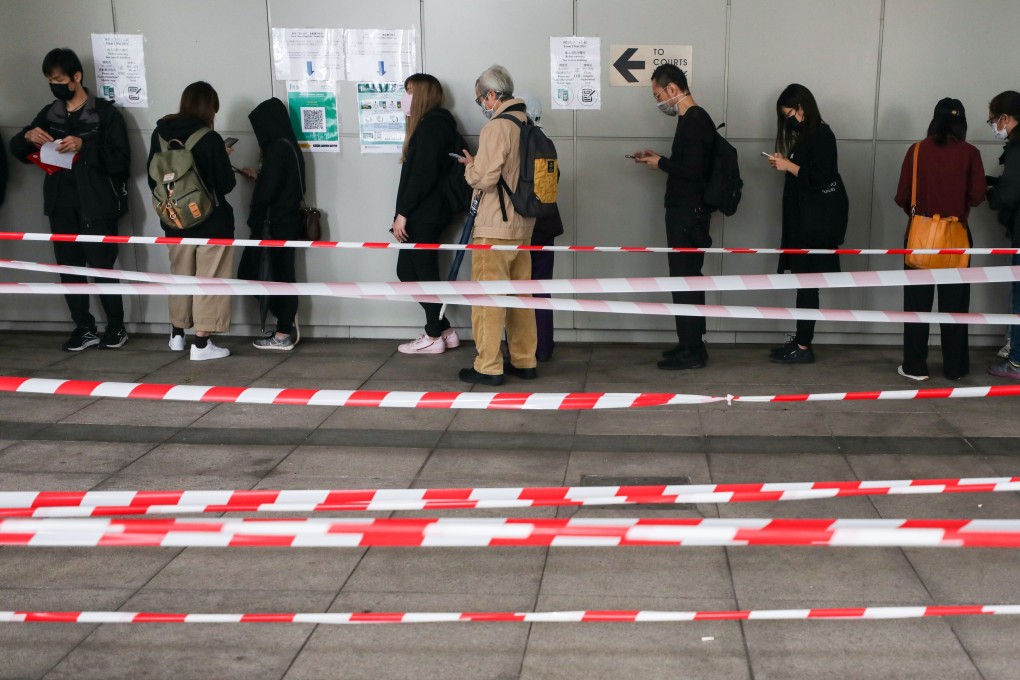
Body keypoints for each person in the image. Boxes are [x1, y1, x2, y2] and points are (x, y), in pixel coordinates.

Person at [10, 48, 130, 351]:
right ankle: (84, 327)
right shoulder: (50, 113)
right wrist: (27, 138)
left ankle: (116, 327)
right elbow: (17, 148)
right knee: (68, 267)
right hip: (61, 204)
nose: (55, 84)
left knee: (101, 267)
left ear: (77, 77)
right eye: (50, 80)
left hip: (98, 205)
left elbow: (121, 161)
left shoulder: (105, 113)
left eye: (59, 79)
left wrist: (84, 145)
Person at [455, 65, 537, 386]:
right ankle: (524, 360)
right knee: (520, 298)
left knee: (488, 298)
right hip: (523, 226)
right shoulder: (525, 122)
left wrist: (470, 167)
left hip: (494, 228)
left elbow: (485, 178)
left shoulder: (496, 128)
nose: (482, 106)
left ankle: (488, 365)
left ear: (492, 95)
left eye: (481, 100)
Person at [894, 98, 986, 381]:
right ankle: (954, 368)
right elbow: (977, 196)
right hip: (956, 236)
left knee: (916, 305)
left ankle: (915, 366)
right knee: (955, 306)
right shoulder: (970, 153)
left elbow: (902, 195)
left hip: (920, 235)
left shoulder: (917, 150)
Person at [632, 63, 715, 370]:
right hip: (686, 213)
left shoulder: (694, 120)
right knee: (684, 278)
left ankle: (692, 350)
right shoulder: (692, 119)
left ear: (673, 90)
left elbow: (692, 171)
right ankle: (689, 343)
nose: (658, 102)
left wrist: (662, 163)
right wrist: (661, 160)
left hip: (687, 215)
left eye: (658, 95)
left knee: (686, 279)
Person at [148, 81, 236, 361]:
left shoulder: (159, 134)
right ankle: (201, 344)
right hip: (211, 223)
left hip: (174, 221)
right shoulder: (209, 139)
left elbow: (152, 176)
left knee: (181, 277)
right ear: (210, 108)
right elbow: (225, 184)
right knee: (210, 280)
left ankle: (177, 335)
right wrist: (223, 156)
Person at [766, 84, 846, 364]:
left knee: (808, 285)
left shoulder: (822, 135)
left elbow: (821, 177)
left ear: (802, 109)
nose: (788, 121)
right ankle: (801, 340)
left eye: (789, 114)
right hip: (807, 226)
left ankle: (802, 346)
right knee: (805, 285)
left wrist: (788, 166)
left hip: (814, 229)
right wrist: (786, 163)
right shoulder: (808, 135)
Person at [390, 73, 462, 354]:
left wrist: (403, 213)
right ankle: (444, 329)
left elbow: (422, 175)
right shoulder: (434, 125)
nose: (404, 97)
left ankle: (434, 336)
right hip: (429, 212)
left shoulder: (431, 127)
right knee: (412, 270)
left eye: (409, 91)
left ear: (421, 95)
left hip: (424, 213)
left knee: (419, 272)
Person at [240, 97, 305, 351]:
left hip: (272, 227)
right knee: (282, 276)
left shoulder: (277, 149)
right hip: (287, 223)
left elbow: (267, 193)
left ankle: (283, 330)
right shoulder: (290, 147)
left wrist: (253, 217)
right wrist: (260, 176)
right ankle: (284, 327)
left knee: (252, 275)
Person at [518, 92, 563, 362]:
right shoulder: (546, 141)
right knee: (541, 289)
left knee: (522, 291)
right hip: (546, 224)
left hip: (526, 227)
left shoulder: (522, 142)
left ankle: (527, 349)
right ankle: (544, 346)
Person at [985, 91, 1020, 380]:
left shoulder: (1018, 147)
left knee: (1019, 301)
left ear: (1005, 118)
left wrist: (990, 193)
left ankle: (1017, 363)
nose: (993, 126)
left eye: (993, 120)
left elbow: (1009, 194)